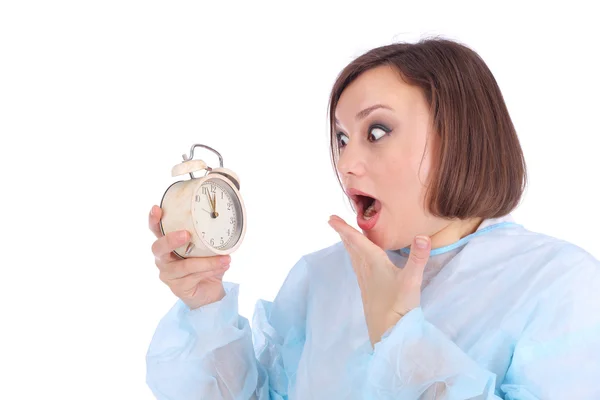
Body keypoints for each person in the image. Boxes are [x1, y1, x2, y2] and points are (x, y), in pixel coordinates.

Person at [145, 38, 600, 399]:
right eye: (342, 138)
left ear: (460, 135)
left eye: (376, 131)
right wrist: (205, 307)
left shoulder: (559, 285)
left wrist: (402, 338)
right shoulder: (320, 278)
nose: (345, 164)